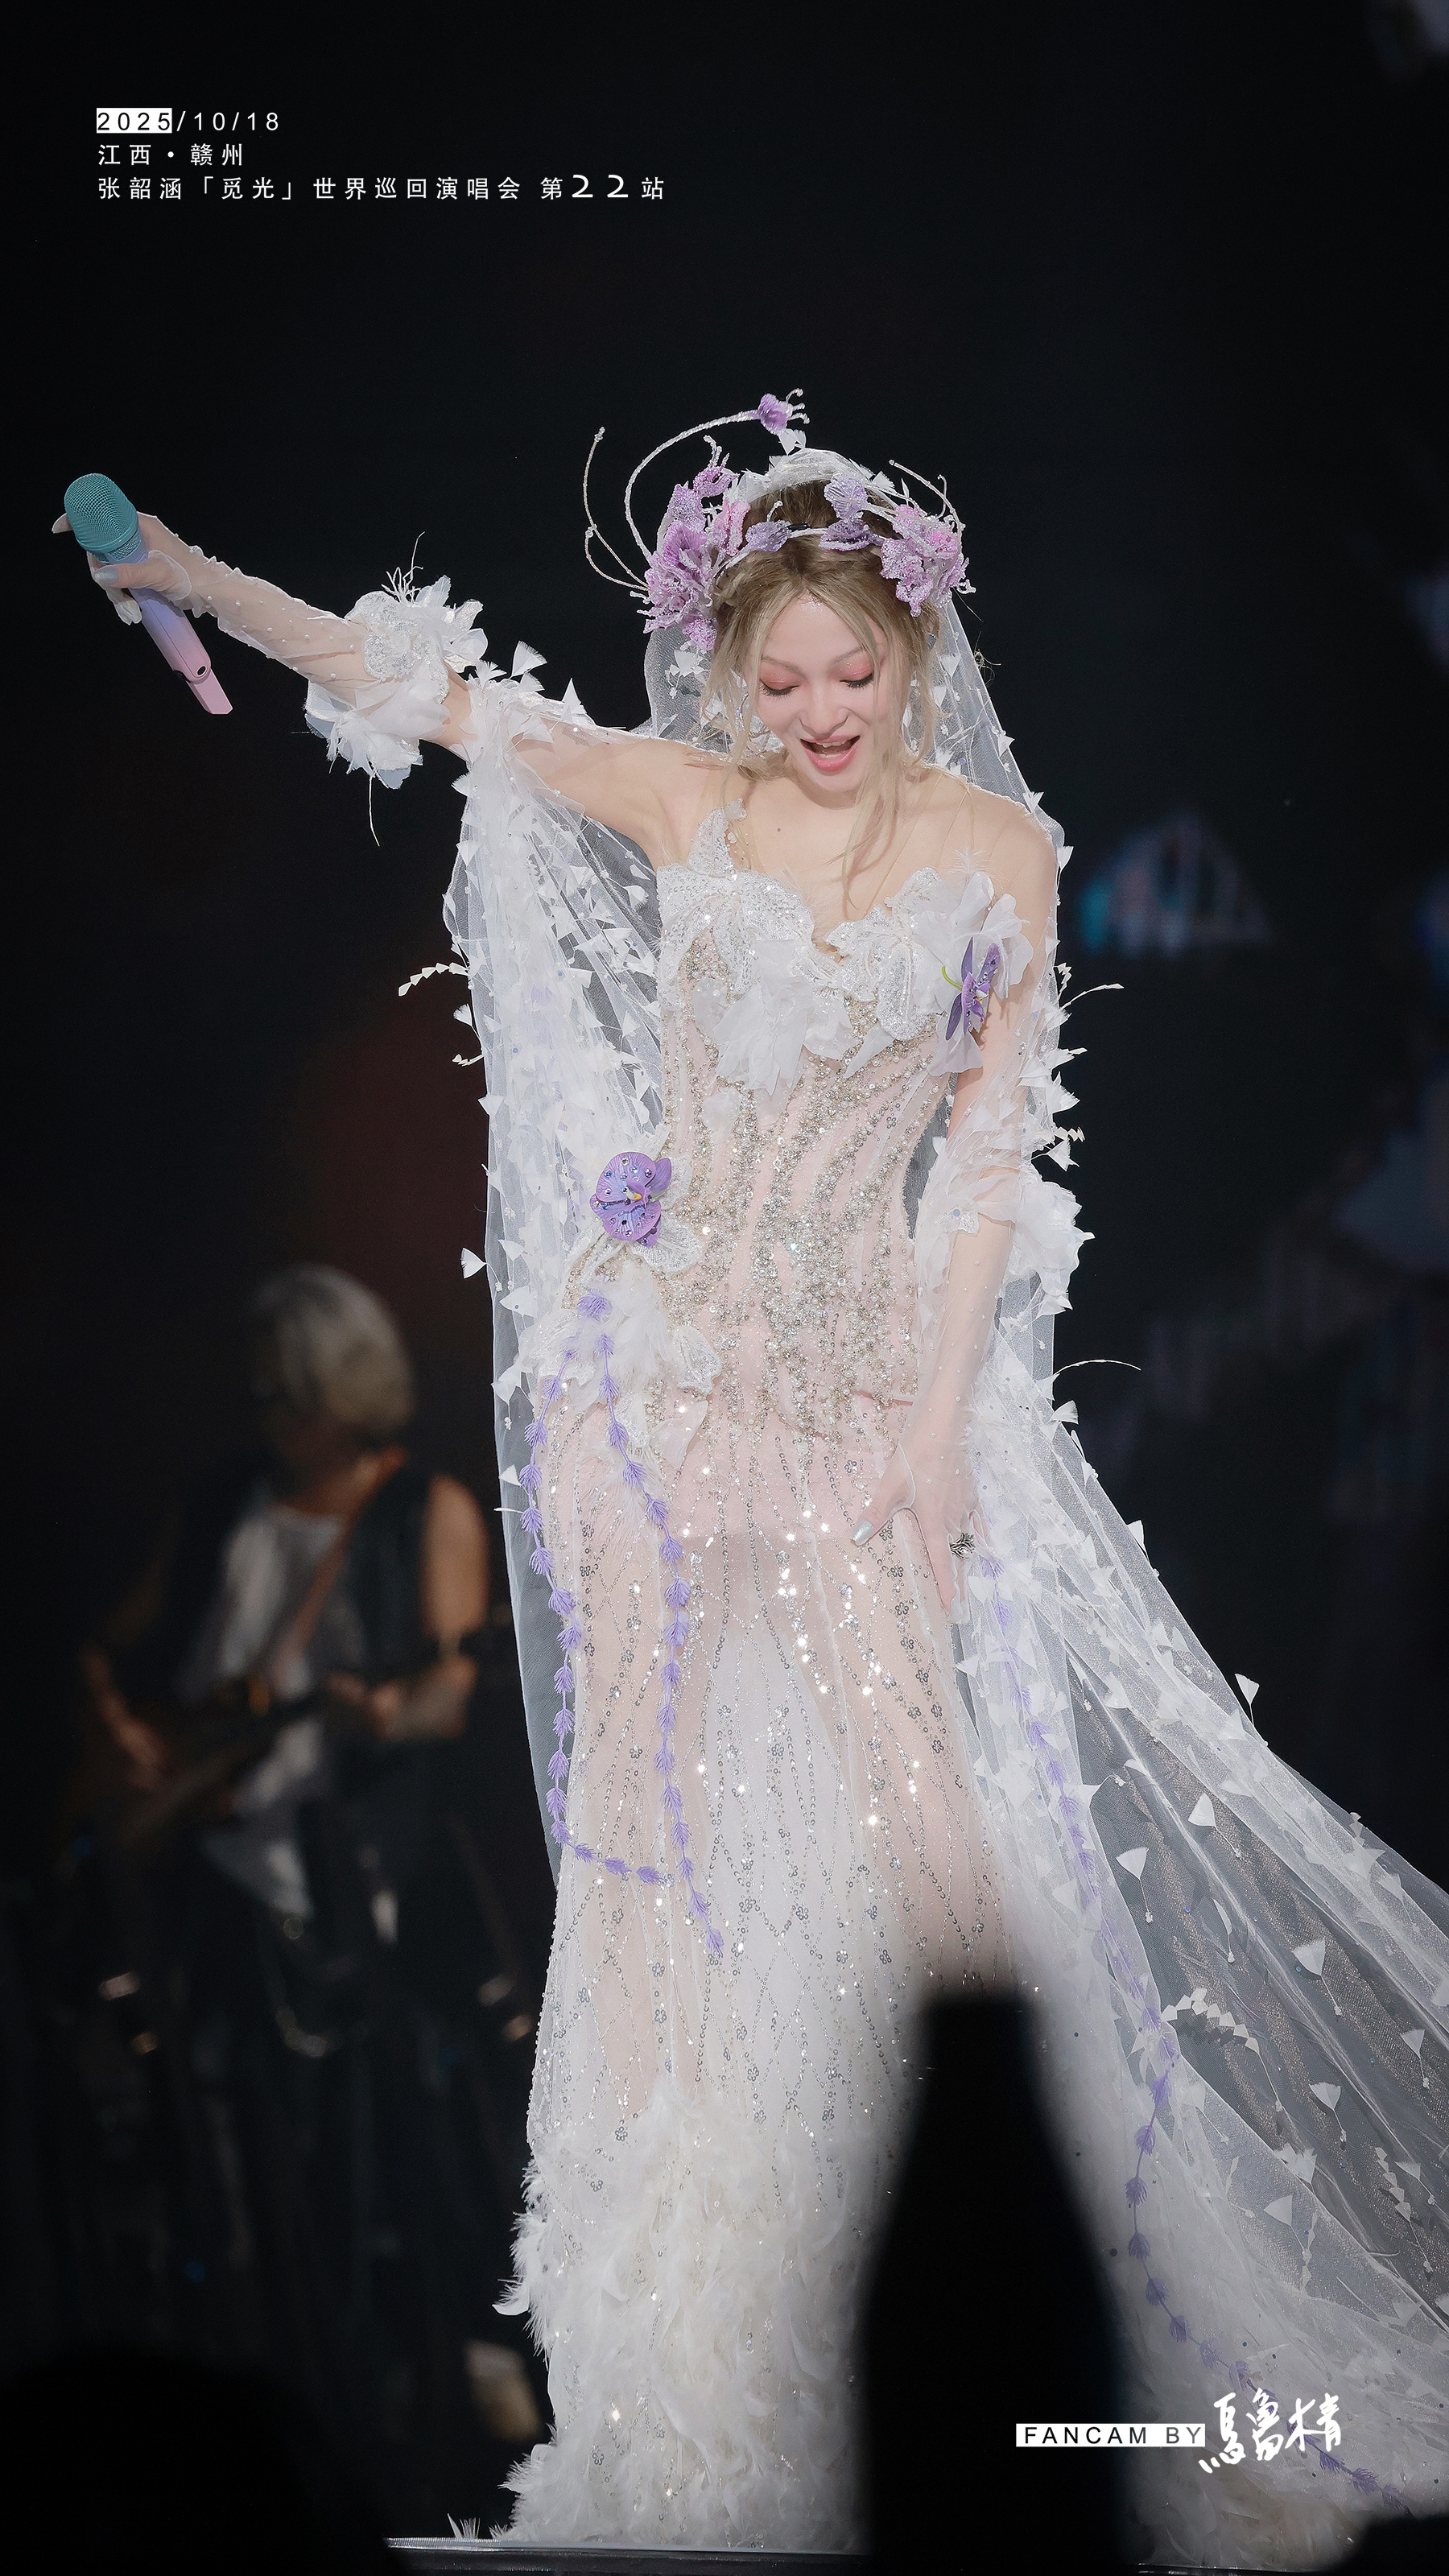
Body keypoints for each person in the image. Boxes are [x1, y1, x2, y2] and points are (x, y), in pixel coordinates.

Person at [59, 397, 1449, 2567]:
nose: (815, 712)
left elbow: (988, 1161)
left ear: (914, 650)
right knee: (655, 1865)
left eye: (850, 673)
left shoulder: (1002, 853)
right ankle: (682, 2375)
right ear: (730, 670)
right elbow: (432, 696)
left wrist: (931, 1427)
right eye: (778, 677)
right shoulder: (686, 799)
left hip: (856, 1405)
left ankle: (1002, 2316)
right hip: (656, 1406)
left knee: (927, 1854)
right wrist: (187, 573)